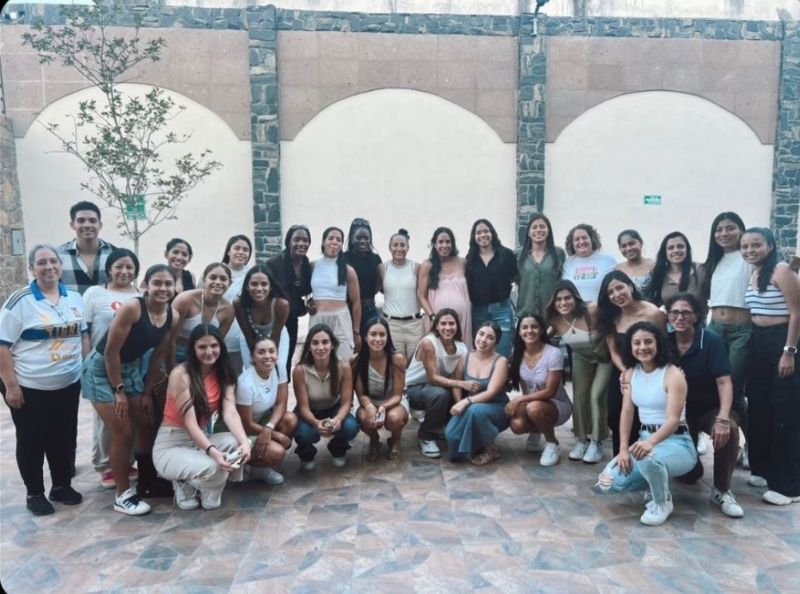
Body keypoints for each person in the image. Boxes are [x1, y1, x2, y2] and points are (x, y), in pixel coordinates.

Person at [81, 264, 179, 515]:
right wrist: (119, 391)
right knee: (123, 431)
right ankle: (122, 495)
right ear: (145, 285)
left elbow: (158, 356)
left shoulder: (173, 315)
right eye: (157, 283)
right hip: (102, 370)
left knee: (145, 422)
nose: (163, 288)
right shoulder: (133, 308)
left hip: (132, 369)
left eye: (168, 283)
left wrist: (146, 393)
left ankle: (147, 483)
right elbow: (110, 352)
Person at [0, 245, 89, 516]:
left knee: (63, 437)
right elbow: (2, 345)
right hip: (29, 387)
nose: (49, 267)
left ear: (60, 266)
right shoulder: (20, 301)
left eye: (53, 261)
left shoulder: (74, 297)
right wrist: (11, 386)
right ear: (31, 269)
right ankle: (34, 493)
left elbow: (83, 334)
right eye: (41, 263)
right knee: (32, 440)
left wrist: (84, 369)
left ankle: (61, 486)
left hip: (67, 385)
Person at [592, 322, 697, 526]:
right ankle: (655, 481)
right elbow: (627, 412)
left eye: (648, 342)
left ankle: (661, 503)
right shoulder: (631, 373)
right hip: (644, 438)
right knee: (608, 483)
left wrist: (650, 443)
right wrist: (623, 449)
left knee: (648, 458)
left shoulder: (673, 374)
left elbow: (673, 420)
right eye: (637, 343)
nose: (642, 347)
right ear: (630, 347)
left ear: (658, 344)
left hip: (677, 443)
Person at [153, 324, 251, 510]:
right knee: (216, 467)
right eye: (202, 347)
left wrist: (245, 443)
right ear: (193, 349)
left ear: (221, 346)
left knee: (236, 444)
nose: (209, 351)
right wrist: (214, 452)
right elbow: (190, 424)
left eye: (214, 346)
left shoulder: (224, 372)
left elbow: (230, 412)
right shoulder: (181, 374)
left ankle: (202, 485)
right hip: (173, 442)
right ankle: (183, 480)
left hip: (201, 439)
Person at [665, 292, 744, 518]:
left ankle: (721, 490)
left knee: (729, 429)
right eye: (675, 312)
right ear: (668, 315)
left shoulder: (710, 341)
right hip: (679, 412)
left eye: (686, 312)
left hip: (710, 408)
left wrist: (723, 418)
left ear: (697, 315)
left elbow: (724, 382)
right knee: (690, 475)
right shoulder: (664, 342)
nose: (680, 317)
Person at [741, 227, 800, 505]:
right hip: (758, 342)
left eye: (756, 245)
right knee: (759, 406)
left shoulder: (782, 271)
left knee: (784, 411)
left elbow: (797, 312)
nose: (750, 250)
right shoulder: (755, 273)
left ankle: (790, 486)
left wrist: (789, 351)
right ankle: (763, 469)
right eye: (745, 246)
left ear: (770, 246)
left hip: (782, 342)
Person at [82, 248, 140, 488]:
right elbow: (85, 330)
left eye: (129, 267)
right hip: (100, 364)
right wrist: (86, 360)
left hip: (130, 365)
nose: (124, 271)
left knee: (128, 417)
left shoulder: (140, 295)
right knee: (107, 420)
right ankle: (106, 465)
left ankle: (127, 461)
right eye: (119, 267)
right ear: (109, 269)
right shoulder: (95, 293)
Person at [598, 270, 666, 457]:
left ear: (630, 286)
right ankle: (620, 457)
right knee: (615, 413)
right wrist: (627, 371)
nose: (616, 294)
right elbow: (613, 351)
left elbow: (663, 344)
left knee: (640, 414)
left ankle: (641, 455)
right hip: (623, 371)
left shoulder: (652, 312)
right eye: (610, 292)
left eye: (619, 288)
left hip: (650, 371)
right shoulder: (611, 316)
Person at [701, 212, 751, 459]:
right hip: (715, 328)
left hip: (742, 331)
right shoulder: (714, 261)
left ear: (741, 230)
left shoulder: (749, 257)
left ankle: (752, 445)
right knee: (708, 385)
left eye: (730, 228)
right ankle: (707, 434)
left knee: (734, 390)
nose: (723, 233)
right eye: (718, 229)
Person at [546, 281, 611, 464]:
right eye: (558, 299)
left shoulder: (592, 310)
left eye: (567, 298)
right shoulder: (555, 319)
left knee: (596, 395)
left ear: (576, 298)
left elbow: (615, 321)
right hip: (581, 358)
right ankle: (582, 439)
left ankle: (597, 441)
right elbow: (543, 338)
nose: (563, 303)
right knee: (580, 396)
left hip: (604, 357)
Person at [226, 337, 297, 485]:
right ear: (252, 357)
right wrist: (275, 435)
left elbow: (281, 404)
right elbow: (245, 424)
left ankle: (261, 467)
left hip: (262, 421)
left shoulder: (279, 369)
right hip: (242, 430)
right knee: (278, 453)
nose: (267, 356)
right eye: (261, 352)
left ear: (277, 354)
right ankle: (251, 466)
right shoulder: (246, 384)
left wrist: (269, 428)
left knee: (290, 419)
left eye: (272, 351)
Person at [506, 313, 572, 467]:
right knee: (517, 425)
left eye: (534, 327)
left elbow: (550, 392)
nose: (529, 331)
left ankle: (552, 443)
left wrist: (519, 399)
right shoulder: (517, 352)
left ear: (542, 330)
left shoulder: (553, 353)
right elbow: (514, 382)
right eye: (524, 327)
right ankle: (537, 430)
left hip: (557, 405)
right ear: (519, 332)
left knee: (534, 408)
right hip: (532, 403)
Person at [292, 324, 359, 470]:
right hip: (310, 411)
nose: (320, 347)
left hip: (334, 409)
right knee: (303, 433)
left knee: (351, 427)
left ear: (332, 345)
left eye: (325, 342)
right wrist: (316, 423)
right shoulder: (300, 370)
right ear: (309, 347)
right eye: (315, 343)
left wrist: (338, 419)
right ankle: (306, 454)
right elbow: (303, 407)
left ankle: (338, 448)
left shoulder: (343, 366)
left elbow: (346, 402)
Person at [405, 308, 469, 459]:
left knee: (467, 392)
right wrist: (460, 384)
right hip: (414, 390)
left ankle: (449, 426)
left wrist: (459, 402)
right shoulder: (429, 342)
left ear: (457, 325)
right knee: (441, 394)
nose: (448, 327)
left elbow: (457, 378)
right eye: (443, 323)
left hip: (440, 389)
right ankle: (426, 437)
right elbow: (433, 377)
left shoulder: (462, 348)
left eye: (452, 323)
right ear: (437, 326)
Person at [444, 321, 509, 465]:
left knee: (476, 410)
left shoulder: (501, 361)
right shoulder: (465, 357)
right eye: (481, 334)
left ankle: (491, 449)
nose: (483, 340)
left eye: (490, 338)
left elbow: (492, 392)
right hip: (470, 407)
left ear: (496, 342)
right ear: (475, 335)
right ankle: (477, 444)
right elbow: (457, 382)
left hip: (496, 407)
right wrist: (458, 402)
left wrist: (466, 401)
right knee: (451, 436)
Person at [353, 317, 408, 461]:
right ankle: (374, 440)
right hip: (369, 401)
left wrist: (383, 407)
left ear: (387, 337)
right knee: (364, 418)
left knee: (393, 418)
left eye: (382, 334)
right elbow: (361, 394)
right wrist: (370, 406)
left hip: (394, 402)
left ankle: (395, 440)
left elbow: (398, 395)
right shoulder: (356, 361)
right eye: (373, 334)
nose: (378, 339)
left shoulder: (397, 359)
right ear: (365, 337)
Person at [465, 219, 517, 357]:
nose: (483, 235)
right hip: (478, 311)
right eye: (478, 232)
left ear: (492, 233)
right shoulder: (470, 259)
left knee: (502, 351)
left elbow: (515, 277)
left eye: (486, 231)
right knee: (482, 352)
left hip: (502, 309)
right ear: (474, 237)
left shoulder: (506, 254)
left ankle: (501, 372)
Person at [266, 225, 312, 380]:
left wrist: (308, 303)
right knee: (270, 360)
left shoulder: (305, 264)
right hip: (273, 321)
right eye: (296, 239)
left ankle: (282, 393)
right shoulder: (273, 264)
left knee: (285, 362)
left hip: (292, 320)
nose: (301, 243)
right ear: (288, 242)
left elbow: (306, 291)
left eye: (305, 240)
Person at [167, 263, 235, 368]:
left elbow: (217, 344)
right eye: (213, 277)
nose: (218, 282)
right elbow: (169, 338)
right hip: (175, 351)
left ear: (230, 283)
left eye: (223, 279)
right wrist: (171, 370)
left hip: (204, 355)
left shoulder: (228, 310)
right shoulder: (185, 300)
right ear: (204, 279)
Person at [308, 227, 362, 359]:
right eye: (331, 238)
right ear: (323, 242)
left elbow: (356, 303)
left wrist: (356, 332)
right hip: (318, 318)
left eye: (338, 239)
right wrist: (308, 303)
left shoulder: (348, 270)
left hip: (340, 320)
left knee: (344, 360)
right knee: (317, 359)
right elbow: (306, 292)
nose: (334, 242)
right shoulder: (312, 266)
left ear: (341, 244)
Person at [234, 265, 290, 379]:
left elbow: (275, 337)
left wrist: (270, 358)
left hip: (277, 337)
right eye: (254, 284)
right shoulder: (239, 303)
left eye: (264, 284)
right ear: (247, 286)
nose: (259, 288)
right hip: (250, 338)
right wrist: (257, 359)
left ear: (270, 287)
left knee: (278, 370)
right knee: (252, 370)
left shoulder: (281, 304)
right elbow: (248, 335)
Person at [418, 227, 472, 342]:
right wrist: (433, 316)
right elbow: (422, 296)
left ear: (452, 243)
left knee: (460, 350)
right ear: (434, 244)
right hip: (437, 321)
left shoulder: (462, 262)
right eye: (441, 242)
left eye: (448, 242)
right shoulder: (427, 265)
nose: (445, 245)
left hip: (461, 319)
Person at [379, 229, 424, 365]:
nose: (399, 248)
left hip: (414, 325)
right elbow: (381, 290)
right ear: (389, 247)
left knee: (415, 364)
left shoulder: (417, 267)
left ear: (408, 247)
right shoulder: (382, 268)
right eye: (395, 245)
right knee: (396, 364)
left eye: (403, 245)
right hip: (392, 324)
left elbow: (422, 293)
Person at [56, 200, 116, 295]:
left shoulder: (114, 254)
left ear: (100, 225)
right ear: (72, 225)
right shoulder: (58, 256)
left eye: (92, 221)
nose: (87, 225)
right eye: (81, 221)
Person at [515, 213, 566, 318]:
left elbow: (564, 281)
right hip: (526, 315)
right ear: (529, 233)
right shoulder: (518, 255)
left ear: (548, 231)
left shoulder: (558, 253)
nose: (538, 230)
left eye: (542, 226)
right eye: (534, 227)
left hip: (552, 314)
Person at [222, 235, 253, 375]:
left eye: (245, 249)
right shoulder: (216, 272)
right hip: (220, 335)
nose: (241, 252)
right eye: (237, 248)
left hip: (244, 337)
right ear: (228, 251)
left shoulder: (252, 275)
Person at [561, 224, 616, 303]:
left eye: (584, 238)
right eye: (577, 239)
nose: (581, 242)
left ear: (592, 239)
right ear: (572, 243)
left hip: (603, 308)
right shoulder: (567, 264)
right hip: (576, 309)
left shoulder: (608, 260)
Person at [648, 232, 706, 307]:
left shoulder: (701, 270)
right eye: (671, 248)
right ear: (665, 252)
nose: (676, 250)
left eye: (680, 246)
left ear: (687, 249)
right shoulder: (659, 274)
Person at [344, 218, 383, 326]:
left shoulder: (375, 259)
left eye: (366, 238)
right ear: (352, 239)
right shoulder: (343, 258)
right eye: (359, 237)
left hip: (369, 310)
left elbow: (380, 285)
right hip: (347, 310)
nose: (363, 241)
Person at [615, 229, 654, 295]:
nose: (628, 249)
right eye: (624, 246)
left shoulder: (652, 266)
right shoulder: (618, 270)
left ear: (641, 243)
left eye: (632, 244)